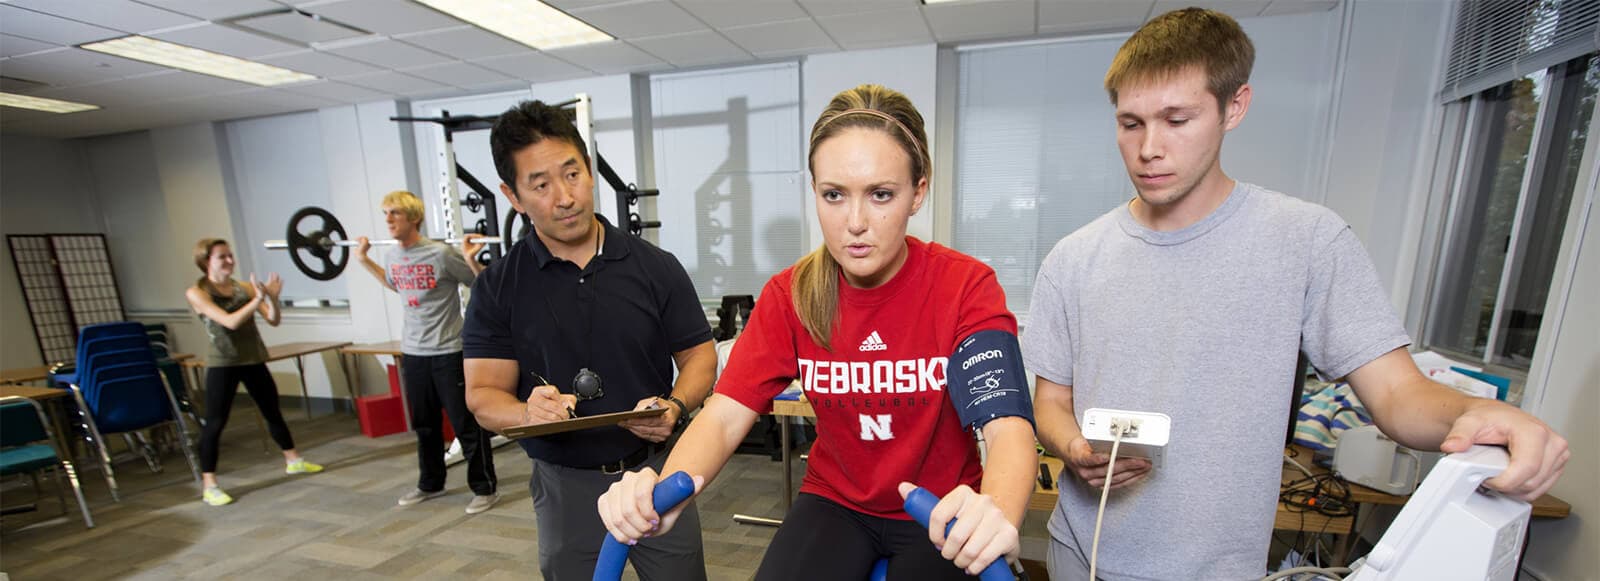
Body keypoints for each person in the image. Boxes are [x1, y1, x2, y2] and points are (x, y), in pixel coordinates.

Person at [1021, 9, 1571, 580]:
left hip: (1220, 569)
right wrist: (1076, 450)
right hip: (1080, 553)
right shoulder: (1074, 258)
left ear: (1235, 106)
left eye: (1177, 119)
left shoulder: (1307, 241)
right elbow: (1052, 404)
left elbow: (1399, 395)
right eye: (1130, 123)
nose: (1149, 148)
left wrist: (1482, 411)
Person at [596, 84, 1038, 580]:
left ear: (919, 192)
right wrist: (664, 489)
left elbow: (1007, 427)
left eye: (881, 195)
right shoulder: (792, 295)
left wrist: (995, 509)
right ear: (814, 192)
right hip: (836, 502)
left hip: (938, 506)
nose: (854, 222)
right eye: (834, 195)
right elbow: (723, 417)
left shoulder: (964, 286)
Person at [462, 100, 717, 580]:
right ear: (512, 195)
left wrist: (677, 406)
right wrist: (524, 413)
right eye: (540, 184)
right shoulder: (498, 285)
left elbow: (699, 355)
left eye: (573, 174)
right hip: (565, 487)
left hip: (655, 475)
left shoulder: (655, 267)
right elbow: (482, 396)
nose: (565, 197)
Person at [354, 190, 498, 514]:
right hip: (413, 352)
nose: (388, 220)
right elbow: (397, 285)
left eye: (395, 214)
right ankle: (431, 483)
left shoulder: (441, 254)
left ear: (414, 218)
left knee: (466, 425)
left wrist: (473, 259)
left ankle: (484, 487)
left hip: (448, 349)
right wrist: (364, 261)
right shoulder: (392, 256)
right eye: (386, 214)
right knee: (424, 423)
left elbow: (481, 285)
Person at [184, 238, 323, 507]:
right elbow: (230, 322)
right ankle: (209, 484)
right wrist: (257, 298)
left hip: (253, 358)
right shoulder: (197, 293)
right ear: (205, 262)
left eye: (230, 255)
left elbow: (273, 319)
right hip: (223, 363)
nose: (229, 261)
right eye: (221, 257)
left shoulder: (243, 288)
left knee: (272, 411)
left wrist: (271, 298)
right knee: (215, 422)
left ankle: (293, 460)